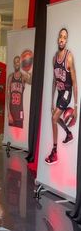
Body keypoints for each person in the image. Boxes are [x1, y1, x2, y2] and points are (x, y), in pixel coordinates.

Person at [45, 28, 78, 164]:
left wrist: (75, 106)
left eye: (64, 37)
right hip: (59, 92)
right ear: (58, 38)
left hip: (67, 92)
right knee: (56, 118)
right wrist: (51, 101)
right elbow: (54, 80)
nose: (62, 39)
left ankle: (54, 152)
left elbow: (75, 82)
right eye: (60, 36)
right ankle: (68, 133)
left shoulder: (69, 57)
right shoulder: (54, 58)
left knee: (53, 118)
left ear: (66, 40)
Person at [7, 55, 31, 128]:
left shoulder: (23, 77)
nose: (16, 64)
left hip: (20, 112)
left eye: (17, 62)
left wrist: (30, 75)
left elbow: (31, 82)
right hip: (12, 112)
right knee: (11, 133)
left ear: (20, 63)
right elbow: (8, 96)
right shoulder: (10, 77)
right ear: (14, 65)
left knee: (20, 135)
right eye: (15, 62)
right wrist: (9, 113)